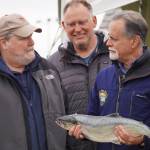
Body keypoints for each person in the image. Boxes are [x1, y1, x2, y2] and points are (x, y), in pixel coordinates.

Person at [69, 10, 150, 150]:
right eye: (108, 37)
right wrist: (82, 132)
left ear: (134, 41)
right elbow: (92, 118)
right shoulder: (103, 76)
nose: (107, 43)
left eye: (113, 38)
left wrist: (143, 141)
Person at [48, 0, 111, 150]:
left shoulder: (115, 54)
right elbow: (53, 113)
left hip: (116, 144)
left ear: (94, 21)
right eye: (71, 24)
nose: (77, 29)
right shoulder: (52, 65)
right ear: (63, 25)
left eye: (82, 22)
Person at [0, 13, 66, 150]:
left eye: (31, 36)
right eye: (24, 37)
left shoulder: (50, 71)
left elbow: (67, 122)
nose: (32, 42)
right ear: (3, 43)